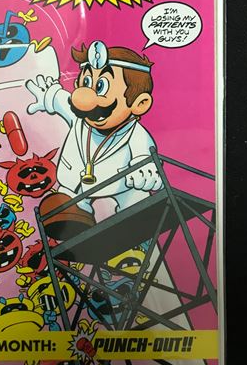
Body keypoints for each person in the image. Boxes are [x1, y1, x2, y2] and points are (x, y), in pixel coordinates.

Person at [25, 40, 163, 240]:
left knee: (136, 201)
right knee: (60, 205)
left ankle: (139, 239)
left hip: (122, 183)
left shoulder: (136, 133)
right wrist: (48, 95)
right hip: (74, 185)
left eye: (100, 86)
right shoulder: (80, 118)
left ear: (140, 103)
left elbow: (144, 155)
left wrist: (146, 171)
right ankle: (78, 222)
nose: (85, 96)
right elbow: (61, 100)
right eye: (86, 82)